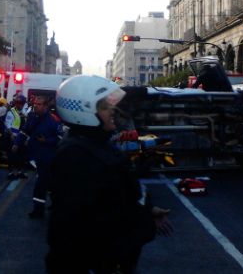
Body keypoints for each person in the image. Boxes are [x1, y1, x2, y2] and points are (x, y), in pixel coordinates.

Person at [46, 75, 173, 274]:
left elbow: (116, 195)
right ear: (83, 111)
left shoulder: (95, 144)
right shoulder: (76, 156)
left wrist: (147, 209)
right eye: (105, 107)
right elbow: (100, 221)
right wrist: (145, 222)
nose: (113, 110)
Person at [14, 94, 63, 218]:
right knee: (50, 183)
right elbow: (25, 131)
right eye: (35, 104)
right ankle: (55, 203)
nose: (36, 106)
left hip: (47, 156)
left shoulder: (53, 120)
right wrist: (17, 143)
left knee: (41, 184)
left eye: (39, 104)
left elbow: (60, 138)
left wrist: (46, 141)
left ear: (45, 106)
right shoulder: (32, 117)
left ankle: (38, 210)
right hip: (34, 155)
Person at [6, 95, 28, 179]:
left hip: (22, 137)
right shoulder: (11, 112)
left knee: (22, 155)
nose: (19, 105)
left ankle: (19, 171)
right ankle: (11, 172)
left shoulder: (25, 112)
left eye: (21, 103)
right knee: (12, 155)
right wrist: (11, 134)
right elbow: (8, 125)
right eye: (17, 103)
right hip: (13, 136)